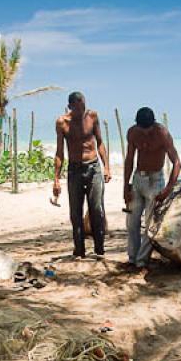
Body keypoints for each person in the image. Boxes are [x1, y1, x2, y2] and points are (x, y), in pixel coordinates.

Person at [53, 92, 111, 260]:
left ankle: (99, 249)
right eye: (77, 108)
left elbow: (99, 142)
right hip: (74, 169)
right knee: (75, 212)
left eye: (83, 106)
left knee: (97, 209)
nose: (81, 111)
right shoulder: (62, 123)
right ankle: (79, 250)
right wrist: (56, 179)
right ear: (70, 106)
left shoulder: (92, 116)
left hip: (93, 167)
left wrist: (106, 166)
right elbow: (59, 152)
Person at [123, 107, 181, 272]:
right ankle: (132, 258)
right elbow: (129, 159)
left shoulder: (162, 134)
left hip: (156, 180)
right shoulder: (133, 133)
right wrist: (125, 187)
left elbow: (176, 161)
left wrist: (169, 188)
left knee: (150, 223)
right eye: (143, 129)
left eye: (148, 129)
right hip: (138, 179)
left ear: (153, 124)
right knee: (132, 222)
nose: (146, 133)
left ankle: (142, 262)